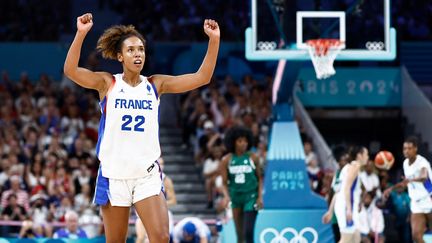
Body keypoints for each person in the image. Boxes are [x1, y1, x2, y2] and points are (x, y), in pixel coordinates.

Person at [63, 13, 220, 243]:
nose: (137, 54)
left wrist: (214, 40)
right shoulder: (108, 83)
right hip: (114, 175)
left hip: (146, 175)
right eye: (131, 50)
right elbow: (71, 70)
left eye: (141, 49)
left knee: (161, 237)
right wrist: (81, 34)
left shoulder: (155, 84)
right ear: (120, 56)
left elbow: (202, 77)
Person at [384, 136, 432, 243]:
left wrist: (411, 180)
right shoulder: (405, 163)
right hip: (416, 203)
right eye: (404, 148)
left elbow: (424, 177)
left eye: (409, 148)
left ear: (416, 149)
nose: (406, 151)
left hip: (429, 199)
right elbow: (405, 183)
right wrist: (391, 189)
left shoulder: (422, 162)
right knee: (416, 236)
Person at [219, 126, 263, 243]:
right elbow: (224, 183)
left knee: (248, 232)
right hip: (236, 198)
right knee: (239, 235)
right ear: (233, 142)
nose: (243, 144)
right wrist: (226, 196)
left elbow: (260, 178)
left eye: (245, 141)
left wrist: (260, 197)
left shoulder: (253, 157)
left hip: (251, 198)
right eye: (240, 141)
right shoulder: (226, 160)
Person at [135, 156, 177, 243]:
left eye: (162, 164)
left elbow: (173, 200)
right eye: (159, 163)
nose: (161, 165)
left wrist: (156, 206)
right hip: (143, 212)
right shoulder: (141, 177)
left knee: (163, 238)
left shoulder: (166, 180)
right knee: (141, 238)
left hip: (160, 213)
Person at [333, 146, 369, 243]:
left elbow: (339, 191)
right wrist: (348, 209)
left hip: (349, 206)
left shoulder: (349, 167)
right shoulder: (355, 166)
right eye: (366, 154)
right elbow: (347, 188)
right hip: (347, 207)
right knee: (346, 239)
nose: (368, 157)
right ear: (359, 155)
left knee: (356, 238)